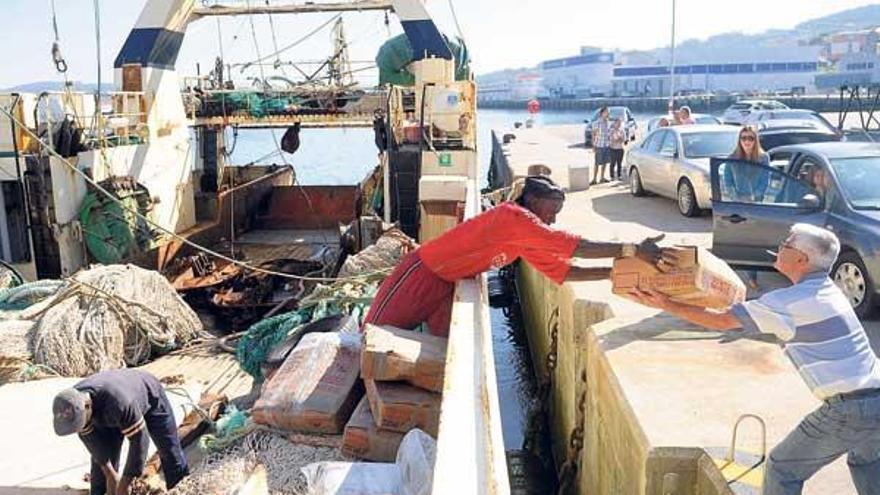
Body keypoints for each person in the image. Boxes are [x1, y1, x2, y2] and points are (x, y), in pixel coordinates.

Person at [628, 224, 880, 495]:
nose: (781, 245)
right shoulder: (828, 291)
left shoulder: (790, 302)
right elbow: (747, 311)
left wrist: (666, 303)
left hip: (849, 408)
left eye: (788, 243)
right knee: (865, 462)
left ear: (801, 260)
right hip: (875, 399)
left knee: (781, 468)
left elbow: (723, 320)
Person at [363, 175, 667, 337]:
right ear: (532, 201)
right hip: (421, 274)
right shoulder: (513, 217)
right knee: (374, 333)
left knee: (413, 344)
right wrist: (632, 249)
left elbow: (563, 271)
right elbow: (572, 246)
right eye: (551, 212)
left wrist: (613, 272)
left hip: (445, 284)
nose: (552, 220)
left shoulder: (524, 238)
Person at [53, 369, 189, 495]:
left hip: (149, 395)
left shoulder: (119, 402)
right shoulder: (73, 402)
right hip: (105, 412)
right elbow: (93, 443)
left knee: (169, 452)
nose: (80, 427)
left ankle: (182, 491)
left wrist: (126, 481)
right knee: (101, 472)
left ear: (88, 406)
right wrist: (110, 474)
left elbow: (140, 440)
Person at [725, 126, 771, 289]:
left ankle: (753, 276)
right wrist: (738, 199)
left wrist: (754, 198)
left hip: (756, 205)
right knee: (742, 241)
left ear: (755, 140)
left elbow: (765, 181)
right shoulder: (732, 158)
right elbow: (728, 182)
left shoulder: (763, 158)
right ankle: (744, 276)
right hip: (738, 206)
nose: (747, 141)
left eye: (750, 138)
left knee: (754, 241)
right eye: (743, 138)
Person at [591, 107, 612, 184]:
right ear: (602, 113)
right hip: (599, 145)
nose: (608, 114)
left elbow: (610, 134)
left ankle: (602, 177)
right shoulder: (597, 123)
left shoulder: (609, 123)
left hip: (606, 145)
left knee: (605, 162)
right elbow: (593, 135)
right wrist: (593, 146)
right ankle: (594, 179)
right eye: (606, 112)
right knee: (597, 163)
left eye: (608, 112)